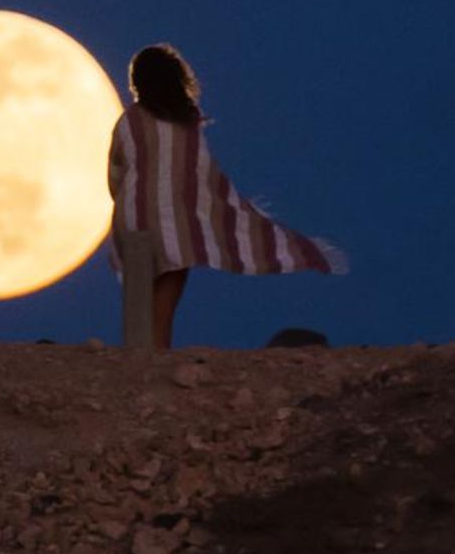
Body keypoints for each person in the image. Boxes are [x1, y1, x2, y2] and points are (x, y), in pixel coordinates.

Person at [107, 44, 348, 349]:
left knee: (138, 302)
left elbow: (115, 174)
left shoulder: (128, 121)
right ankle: (156, 359)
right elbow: (197, 173)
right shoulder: (186, 123)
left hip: (133, 221)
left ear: (138, 82)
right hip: (175, 224)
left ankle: (135, 361)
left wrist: (129, 201)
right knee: (165, 301)